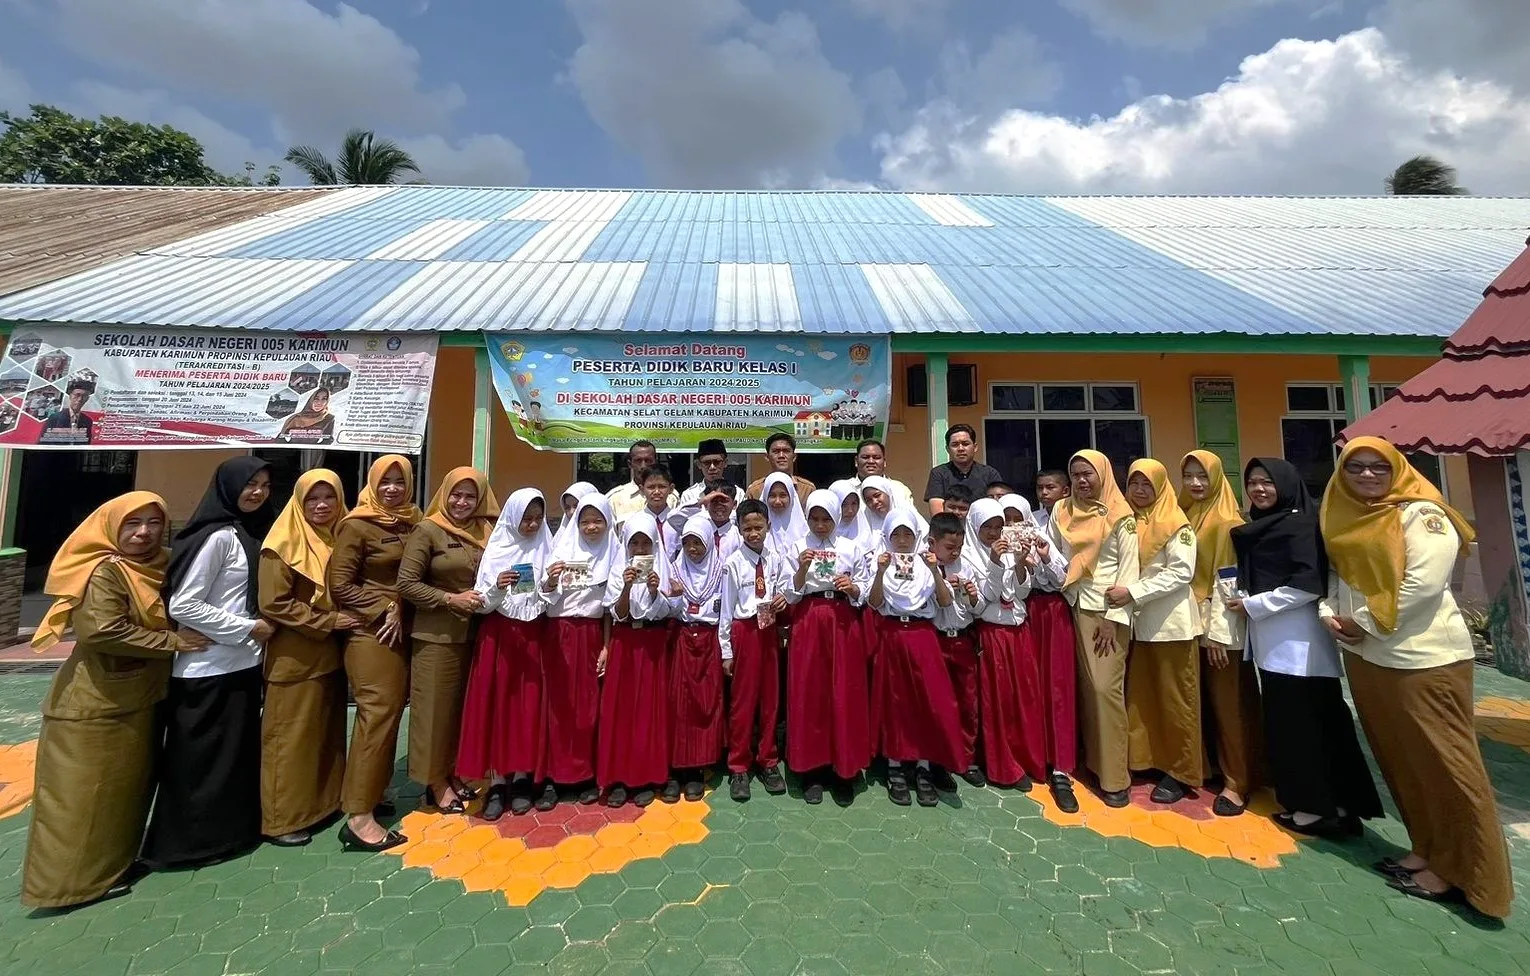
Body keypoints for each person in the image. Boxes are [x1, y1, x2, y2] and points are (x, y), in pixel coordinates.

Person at [1319, 437, 1512, 916]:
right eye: (1355, 467)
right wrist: (1329, 613)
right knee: (1403, 763)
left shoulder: (1421, 515)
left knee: (1445, 766)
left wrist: (1360, 622)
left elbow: (1423, 584)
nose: (1366, 476)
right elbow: (1340, 577)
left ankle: (1472, 875)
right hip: (1369, 656)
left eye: (1377, 468)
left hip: (1422, 657)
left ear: (1398, 469)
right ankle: (1427, 850)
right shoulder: (1344, 514)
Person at [21, 493, 212, 909]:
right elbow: (102, 630)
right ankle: (66, 886)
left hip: (138, 698)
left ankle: (110, 870)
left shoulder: (156, 565)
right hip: (93, 703)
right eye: (132, 524)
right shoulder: (105, 571)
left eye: (153, 523)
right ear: (110, 527)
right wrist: (173, 641)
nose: (144, 533)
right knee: (82, 797)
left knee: (121, 794)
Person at [1229, 458, 1382, 838]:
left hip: (1297, 646)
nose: (1259, 490)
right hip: (1278, 643)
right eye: (1252, 483)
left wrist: (1253, 604)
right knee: (1317, 725)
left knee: (1300, 728)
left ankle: (1313, 810)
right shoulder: (1271, 525)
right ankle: (1341, 805)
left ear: (1286, 484)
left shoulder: (1300, 526)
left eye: (1267, 483)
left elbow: (1307, 584)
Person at [142, 457, 275, 869]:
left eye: (265, 485)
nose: (257, 492)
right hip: (206, 668)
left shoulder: (248, 534)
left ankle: (226, 836)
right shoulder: (217, 537)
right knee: (197, 762)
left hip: (239, 666)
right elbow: (183, 604)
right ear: (227, 488)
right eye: (249, 484)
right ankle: (183, 845)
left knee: (230, 757)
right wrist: (248, 627)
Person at [259, 468, 357, 847]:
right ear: (299, 502)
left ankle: (323, 805)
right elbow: (274, 603)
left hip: (329, 655)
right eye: (312, 499)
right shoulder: (282, 543)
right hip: (295, 658)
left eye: (329, 497)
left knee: (324, 735)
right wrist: (329, 620)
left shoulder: (337, 537)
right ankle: (282, 819)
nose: (321, 506)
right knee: (290, 739)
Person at [330, 455, 422, 851]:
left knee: (389, 714)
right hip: (373, 635)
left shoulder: (412, 520)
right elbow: (340, 584)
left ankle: (373, 792)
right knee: (377, 714)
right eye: (385, 482)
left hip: (402, 631)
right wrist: (382, 607)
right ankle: (360, 817)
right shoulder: (357, 525)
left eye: (400, 482)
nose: (392, 489)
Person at [398, 468, 498, 814]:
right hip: (436, 636)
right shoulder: (428, 530)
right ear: (444, 494)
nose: (462, 502)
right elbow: (407, 583)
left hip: (474, 635)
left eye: (470, 496)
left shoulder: (487, 531)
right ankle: (434, 783)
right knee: (433, 712)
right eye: (456, 494)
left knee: (458, 711)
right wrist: (448, 600)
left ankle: (454, 772)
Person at [1049, 450, 1139, 807]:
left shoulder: (1121, 515)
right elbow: (1057, 556)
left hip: (1105, 613)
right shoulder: (1063, 510)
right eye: (1076, 475)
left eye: (1089, 474)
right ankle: (1088, 760)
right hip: (1068, 605)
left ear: (1104, 474)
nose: (1082, 481)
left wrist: (1111, 616)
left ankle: (1115, 776)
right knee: (1081, 689)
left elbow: (1129, 570)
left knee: (1105, 690)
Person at [461, 488, 552, 820]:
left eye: (537, 518)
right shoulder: (497, 549)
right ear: (513, 517)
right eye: (526, 518)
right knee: (500, 705)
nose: (531, 525)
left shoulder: (546, 545)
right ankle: (499, 781)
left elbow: (548, 601)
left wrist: (551, 586)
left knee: (529, 706)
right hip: (500, 637)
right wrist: (498, 586)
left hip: (534, 636)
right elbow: (481, 605)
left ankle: (524, 778)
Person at [1180, 451, 1262, 817]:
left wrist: (1219, 635)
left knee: (1230, 704)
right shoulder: (1186, 514)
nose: (1195, 484)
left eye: (1203, 476)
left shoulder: (1226, 522)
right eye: (1189, 476)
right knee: (1203, 700)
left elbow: (1228, 581)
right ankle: (1212, 766)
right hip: (1188, 621)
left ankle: (1237, 782)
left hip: (1216, 625)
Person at [1117, 460, 1204, 805]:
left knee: (1176, 700)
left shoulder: (1175, 523)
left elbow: (1181, 573)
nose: (1139, 490)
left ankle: (1180, 771)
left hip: (1171, 625)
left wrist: (1134, 593)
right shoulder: (1129, 521)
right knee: (1143, 698)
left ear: (1161, 487)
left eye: (1147, 484)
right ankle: (1146, 759)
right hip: (1140, 625)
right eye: (1134, 482)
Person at [867, 510, 966, 806]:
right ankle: (896, 766)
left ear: (917, 536)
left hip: (922, 635)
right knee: (896, 702)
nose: (901, 541)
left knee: (928, 701)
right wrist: (880, 572)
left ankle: (923, 766)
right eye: (896, 534)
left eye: (907, 534)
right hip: (893, 636)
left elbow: (946, 602)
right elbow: (875, 603)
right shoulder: (881, 562)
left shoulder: (925, 564)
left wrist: (935, 570)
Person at [785, 491, 872, 805]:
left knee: (843, 691)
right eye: (814, 519)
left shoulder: (850, 547)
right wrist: (800, 569)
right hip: (809, 621)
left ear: (836, 518)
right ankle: (811, 769)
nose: (821, 525)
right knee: (810, 692)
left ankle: (844, 770)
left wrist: (853, 588)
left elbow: (864, 587)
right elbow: (790, 594)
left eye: (826, 519)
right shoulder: (797, 546)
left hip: (842, 622)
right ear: (806, 518)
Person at [541, 495, 619, 808]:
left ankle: (586, 774)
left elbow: (611, 607)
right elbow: (541, 593)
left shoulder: (613, 550)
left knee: (588, 706)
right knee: (556, 706)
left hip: (590, 635)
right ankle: (552, 776)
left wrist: (606, 645)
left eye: (597, 520)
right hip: (558, 634)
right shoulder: (560, 549)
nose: (591, 527)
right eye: (585, 521)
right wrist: (550, 579)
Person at [1001, 493, 1078, 810]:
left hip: (1053, 615)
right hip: (1023, 616)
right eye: (1006, 519)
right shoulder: (1000, 548)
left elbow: (1063, 580)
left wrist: (1044, 557)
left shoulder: (1046, 538)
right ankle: (1032, 756)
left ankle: (1061, 766)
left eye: (1017, 518)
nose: (1012, 525)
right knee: (1028, 688)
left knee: (1057, 687)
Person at [963, 499, 1046, 792]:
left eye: (998, 527)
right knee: (998, 701)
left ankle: (1025, 757)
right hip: (992, 634)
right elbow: (983, 601)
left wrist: (1021, 562)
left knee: (1023, 697)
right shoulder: (967, 556)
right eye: (987, 527)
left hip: (1018, 633)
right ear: (974, 526)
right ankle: (1002, 765)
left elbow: (1021, 591)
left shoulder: (1009, 550)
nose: (993, 533)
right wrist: (996, 565)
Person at [597, 513, 674, 807]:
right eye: (635, 543)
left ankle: (647, 775)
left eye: (646, 543)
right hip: (626, 643)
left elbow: (668, 610)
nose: (641, 549)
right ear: (626, 545)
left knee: (650, 709)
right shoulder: (619, 570)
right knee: (622, 709)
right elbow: (618, 613)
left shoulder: (663, 569)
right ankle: (618, 776)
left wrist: (655, 590)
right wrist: (628, 586)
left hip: (652, 644)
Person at [719, 500, 790, 801]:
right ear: (738, 529)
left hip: (768, 631)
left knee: (770, 699)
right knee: (743, 702)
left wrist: (783, 597)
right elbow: (725, 608)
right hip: (744, 631)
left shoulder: (776, 558)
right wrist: (726, 650)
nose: (753, 533)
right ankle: (739, 765)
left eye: (758, 527)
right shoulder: (733, 563)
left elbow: (786, 586)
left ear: (768, 527)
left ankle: (768, 760)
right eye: (747, 528)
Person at [666, 513, 728, 802]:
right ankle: (676, 768)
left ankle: (699, 767)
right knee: (679, 704)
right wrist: (675, 597)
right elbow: (666, 608)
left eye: (698, 542)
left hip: (709, 640)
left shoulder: (721, 571)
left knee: (706, 702)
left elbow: (726, 610)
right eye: (688, 542)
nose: (692, 549)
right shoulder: (673, 570)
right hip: (681, 640)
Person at [927, 512, 986, 788]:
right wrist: (938, 585)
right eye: (949, 548)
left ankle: (966, 758)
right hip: (935, 640)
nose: (954, 553)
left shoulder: (967, 566)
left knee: (967, 701)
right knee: (938, 703)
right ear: (932, 543)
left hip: (961, 640)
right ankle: (937, 760)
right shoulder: (921, 566)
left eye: (958, 548)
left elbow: (977, 609)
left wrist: (973, 596)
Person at [926, 425, 1004, 514]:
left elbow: (999, 506)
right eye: (955, 445)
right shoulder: (938, 474)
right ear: (948, 449)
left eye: (965, 444)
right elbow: (938, 514)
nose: (960, 449)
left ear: (975, 447)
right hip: (951, 526)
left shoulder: (990, 474)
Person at [675, 440, 745, 523]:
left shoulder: (738, 493)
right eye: (707, 463)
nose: (712, 467)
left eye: (717, 462)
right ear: (699, 465)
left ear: (725, 463)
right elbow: (678, 521)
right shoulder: (690, 494)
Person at [606, 441, 677, 520]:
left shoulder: (671, 497)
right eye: (638, 461)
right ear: (630, 464)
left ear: (655, 461)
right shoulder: (615, 498)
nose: (643, 466)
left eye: (648, 460)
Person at [625, 466, 680, 561]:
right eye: (651, 487)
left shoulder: (679, 521)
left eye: (662, 487)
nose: (657, 492)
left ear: (671, 489)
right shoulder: (634, 522)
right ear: (642, 489)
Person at [848, 439, 916, 511]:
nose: (871, 461)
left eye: (876, 457)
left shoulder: (899, 489)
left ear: (884, 462)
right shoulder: (846, 488)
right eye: (865, 457)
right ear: (856, 461)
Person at [747, 433, 816, 503]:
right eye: (776, 451)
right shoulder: (755, 490)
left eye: (786, 451)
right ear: (767, 457)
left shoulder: (807, 490)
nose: (781, 455)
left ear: (794, 457)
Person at [760, 471, 808, 556]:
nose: (777, 501)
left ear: (791, 497)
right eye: (772, 496)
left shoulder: (805, 533)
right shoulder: (756, 530)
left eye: (783, 495)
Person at [39, 380, 93, 444]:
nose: (80, 399)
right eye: (77, 395)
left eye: (84, 396)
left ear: (87, 399)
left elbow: (86, 443)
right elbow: (44, 441)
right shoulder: (55, 418)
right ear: (70, 396)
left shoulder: (87, 421)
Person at [552, 481, 599, 549]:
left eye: (576, 506)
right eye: (567, 508)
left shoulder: (609, 542)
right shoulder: (561, 540)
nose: (571, 512)